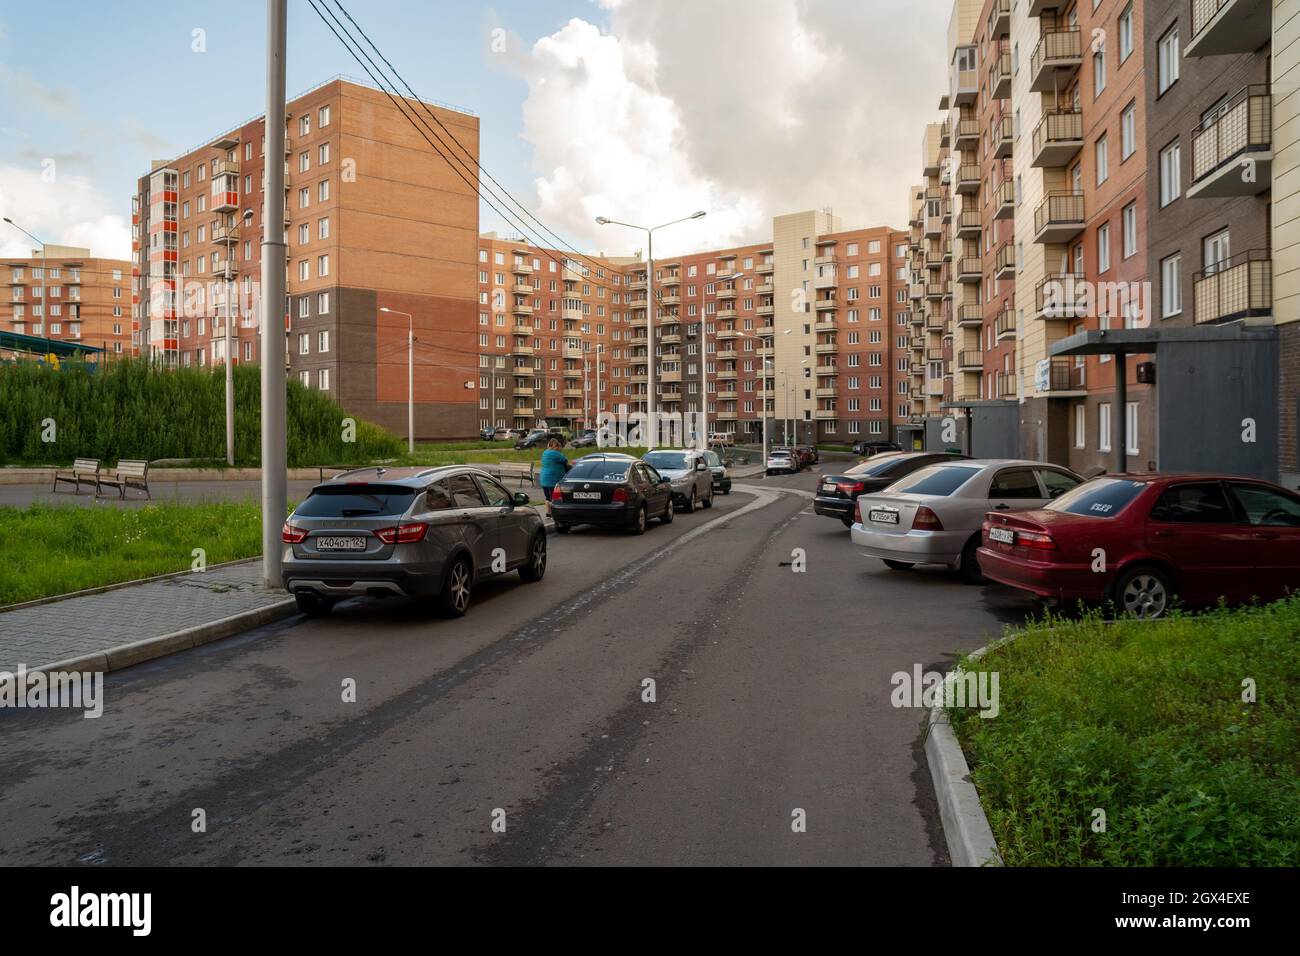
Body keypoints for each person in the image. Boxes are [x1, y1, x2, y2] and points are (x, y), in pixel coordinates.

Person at [538, 436, 569, 512]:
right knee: (554, 498)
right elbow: (565, 460)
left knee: (547, 497)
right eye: (558, 446)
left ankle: (548, 513)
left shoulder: (545, 452)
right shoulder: (555, 453)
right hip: (553, 480)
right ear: (557, 446)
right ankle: (554, 513)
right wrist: (560, 452)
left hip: (544, 479)